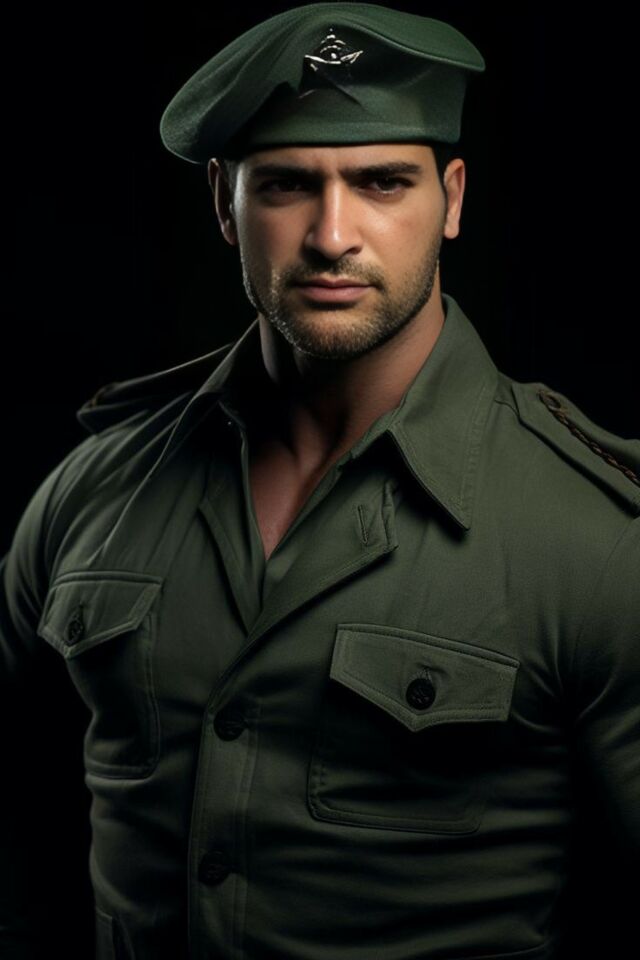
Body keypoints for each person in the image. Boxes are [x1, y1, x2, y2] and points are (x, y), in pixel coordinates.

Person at [1, 3, 638, 958]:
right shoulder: (93, 493)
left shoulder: (595, 538)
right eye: (289, 185)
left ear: (452, 200)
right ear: (225, 205)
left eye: (382, 182)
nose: (333, 235)